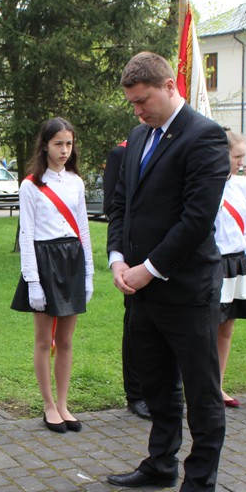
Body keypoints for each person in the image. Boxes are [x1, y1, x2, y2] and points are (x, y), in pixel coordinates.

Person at [104, 52, 227, 492]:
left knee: (201, 390)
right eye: (132, 104)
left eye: (144, 101)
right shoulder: (139, 136)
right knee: (155, 384)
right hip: (141, 288)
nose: (138, 111)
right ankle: (160, 464)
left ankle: (199, 485)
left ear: (170, 86)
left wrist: (149, 268)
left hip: (186, 289)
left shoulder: (204, 136)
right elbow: (121, 204)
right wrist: (118, 258)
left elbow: (196, 219)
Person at [10, 117, 93, 434]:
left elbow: (83, 229)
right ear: (45, 145)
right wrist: (33, 281)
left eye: (69, 144)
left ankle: (63, 403)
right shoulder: (30, 185)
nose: (64, 150)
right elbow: (27, 234)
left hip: (72, 260)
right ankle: (48, 405)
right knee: (45, 340)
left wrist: (88, 274)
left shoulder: (76, 182)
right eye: (58, 143)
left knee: (66, 340)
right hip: (44, 261)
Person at [102, 140, 149, 420]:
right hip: (135, 257)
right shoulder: (123, 151)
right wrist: (118, 255)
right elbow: (114, 205)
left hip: (175, 258)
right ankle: (136, 394)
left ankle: (164, 391)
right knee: (135, 328)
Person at [216, 131, 246, 407]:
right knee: (208, 329)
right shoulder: (207, 186)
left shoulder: (240, 187)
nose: (242, 162)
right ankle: (201, 386)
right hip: (216, 264)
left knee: (227, 328)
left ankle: (217, 384)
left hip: (238, 262)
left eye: (243, 156)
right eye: (237, 156)